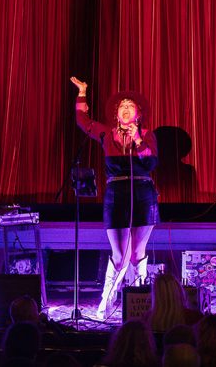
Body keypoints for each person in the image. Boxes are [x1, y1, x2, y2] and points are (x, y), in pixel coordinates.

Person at [71, 75, 160, 319]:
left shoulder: (148, 135)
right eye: (122, 106)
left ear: (138, 114)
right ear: (116, 113)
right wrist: (82, 93)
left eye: (131, 106)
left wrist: (138, 139)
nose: (126, 108)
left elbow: (151, 162)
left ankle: (141, 302)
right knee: (120, 254)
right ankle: (107, 300)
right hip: (116, 194)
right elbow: (82, 121)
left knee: (137, 253)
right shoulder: (106, 135)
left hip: (143, 195)